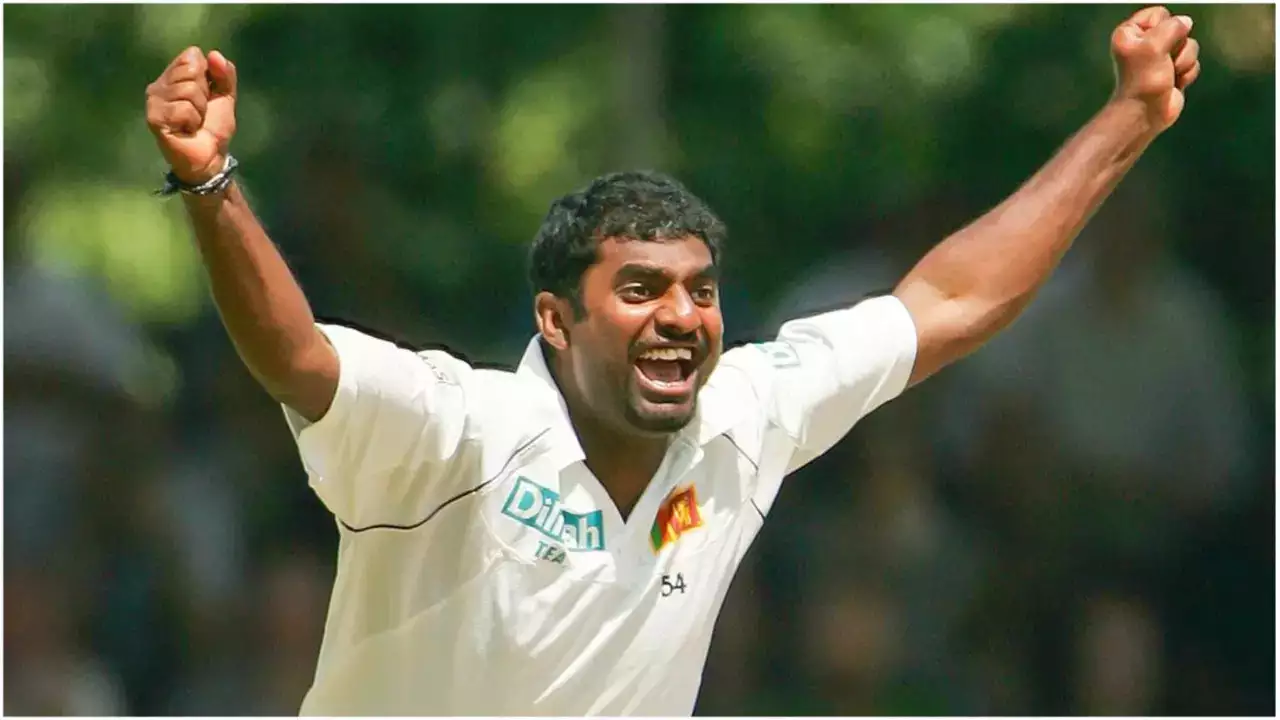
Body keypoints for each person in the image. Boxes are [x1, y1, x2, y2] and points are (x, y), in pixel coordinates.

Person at [143, 6, 1200, 715]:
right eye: (639, 291)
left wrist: (1127, 119)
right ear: (555, 322)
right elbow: (292, 354)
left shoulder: (744, 416)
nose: (682, 317)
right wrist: (211, 184)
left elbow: (949, 298)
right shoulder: (455, 432)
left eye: (699, 290)